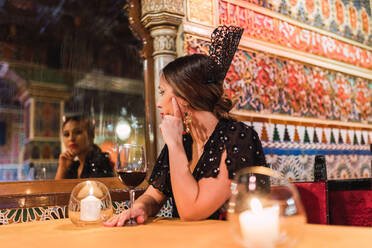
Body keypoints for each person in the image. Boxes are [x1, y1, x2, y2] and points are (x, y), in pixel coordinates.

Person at [104, 26, 267, 227]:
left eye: (162, 92)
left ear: (186, 95)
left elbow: (191, 212)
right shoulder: (184, 138)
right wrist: (140, 207)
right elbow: (154, 196)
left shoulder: (238, 136)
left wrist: (174, 145)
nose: (158, 103)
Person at [55, 115, 114, 179]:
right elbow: (55, 188)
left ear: (91, 135)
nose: (71, 138)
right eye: (67, 134)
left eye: (78, 132)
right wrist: (62, 168)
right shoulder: (75, 166)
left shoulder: (100, 162)